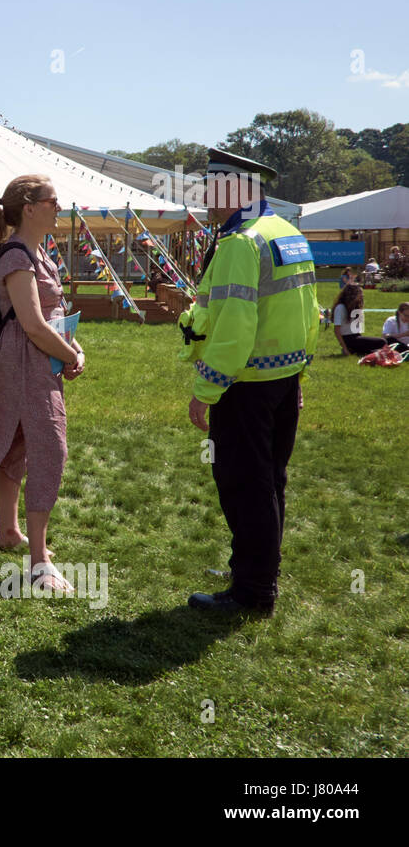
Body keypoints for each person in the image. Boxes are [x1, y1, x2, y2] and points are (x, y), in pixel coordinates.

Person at [180, 149, 320, 616]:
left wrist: (205, 390)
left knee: (245, 482)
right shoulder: (288, 232)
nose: (205, 199)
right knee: (270, 480)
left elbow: (235, 327)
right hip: (282, 377)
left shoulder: (242, 242)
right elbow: (309, 313)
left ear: (233, 189)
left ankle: (253, 592)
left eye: (210, 189)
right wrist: (299, 371)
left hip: (246, 383)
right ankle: (256, 571)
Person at [0, 175, 84, 592]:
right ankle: (39, 564)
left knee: (18, 442)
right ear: (29, 208)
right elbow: (31, 323)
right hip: (24, 364)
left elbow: (50, 314)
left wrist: (72, 347)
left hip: (38, 362)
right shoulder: (17, 257)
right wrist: (70, 355)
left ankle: (9, 532)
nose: (59, 208)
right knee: (51, 448)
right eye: (53, 201)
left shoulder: (37, 254)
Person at [331, 283, 382, 356]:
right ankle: (351, 349)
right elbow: (337, 330)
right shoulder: (340, 308)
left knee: (381, 345)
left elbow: (357, 330)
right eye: (360, 293)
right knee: (381, 342)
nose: (362, 295)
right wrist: (344, 348)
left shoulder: (356, 307)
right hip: (348, 339)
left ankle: (357, 351)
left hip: (356, 337)